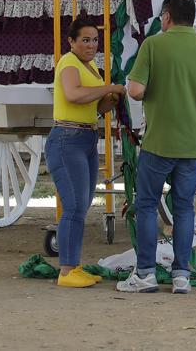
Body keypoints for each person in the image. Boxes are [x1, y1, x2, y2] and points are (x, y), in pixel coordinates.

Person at [117, 0, 196, 295]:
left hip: (158, 142)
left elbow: (135, 90)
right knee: (184, 210)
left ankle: (146, 273)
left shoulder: (154, 45)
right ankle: (181, 276)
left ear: (166, 17)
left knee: (148, 205)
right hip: (191, 143)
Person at [46, 16, 125, 288]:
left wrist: (108, 101)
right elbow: (73, 95)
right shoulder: (69, 63)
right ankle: (67, 270)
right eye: (85, 40)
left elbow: (93, 107)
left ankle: (73, 265)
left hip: (86, 137)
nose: (91, 45)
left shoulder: (89, 67)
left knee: (81, 205)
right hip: (68, 138)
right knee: (74, 206)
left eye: (94, 40)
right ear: (72, 41)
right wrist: (111, 88)